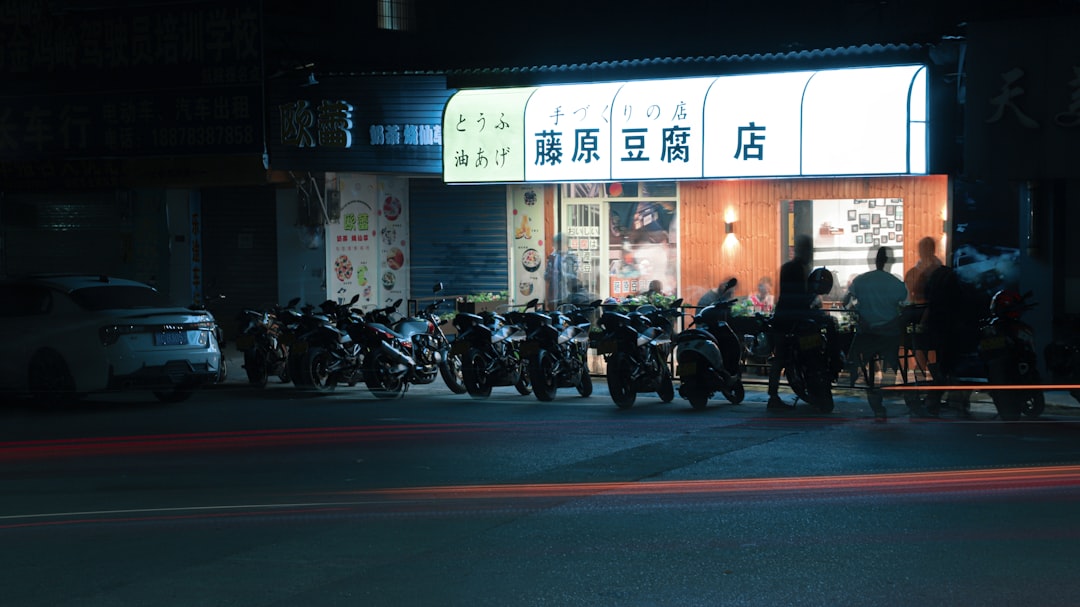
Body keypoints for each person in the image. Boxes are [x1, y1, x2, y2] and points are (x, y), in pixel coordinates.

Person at [844, 246, 909, 421]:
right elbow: (903, 304)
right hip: (889, 332)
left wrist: (858, 310)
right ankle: (882, 393)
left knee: (857, 364)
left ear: (873, 260)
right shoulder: (895, 283)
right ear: (889, 261)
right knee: (890, 367)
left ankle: (871, 395)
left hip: (867, 332)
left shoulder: (862, 280)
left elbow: (846, 301)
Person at [767, 235, 816, 410]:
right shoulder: (802, 269)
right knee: (785, 356)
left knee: (779, 357)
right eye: (809, 249)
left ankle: (773, 395)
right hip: (793, 318)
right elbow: (801, 295)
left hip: (782, 317)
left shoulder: (787, 267)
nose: (810, 253)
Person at [903, 236, 943, 376]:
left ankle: (926, 372)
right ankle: (927, 372)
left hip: (930, 314)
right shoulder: (917, 272)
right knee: (922, 343)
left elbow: (909, 296)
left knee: (922, 343)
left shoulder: (935, 271)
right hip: (928, 314)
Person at [544, 233, 578, 309]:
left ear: (566, 244)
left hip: (569, 296)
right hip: (554, 297)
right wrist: (550, 273)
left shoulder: (572, 257)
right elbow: (546, 277)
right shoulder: (552, 257)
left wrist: (563, 275)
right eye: (557, 244)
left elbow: (577, 277)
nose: (558, 247)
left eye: (560, 244)